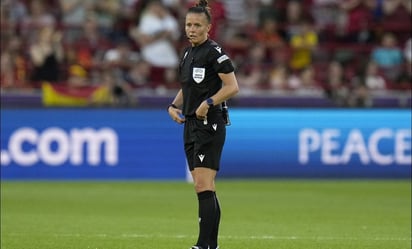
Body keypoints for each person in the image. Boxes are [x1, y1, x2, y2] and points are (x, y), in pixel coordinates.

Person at [167, 1, 239, 249]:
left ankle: (203, 245)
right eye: (188, 24)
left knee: (203, 184)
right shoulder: (187, 53)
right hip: (190, 124)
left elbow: (232, 87)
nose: (192, 29)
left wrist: (209, 102)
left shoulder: (214, 52)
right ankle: (211, 245)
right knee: (204, 186)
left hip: (209, 124)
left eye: (197, 25)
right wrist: (173, 105)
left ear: (209, 27)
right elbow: (187, 88)